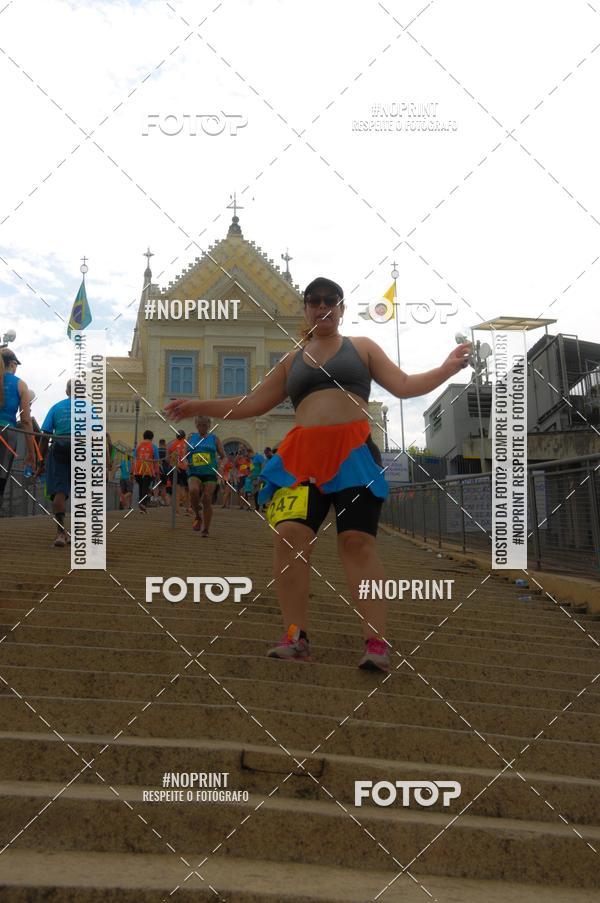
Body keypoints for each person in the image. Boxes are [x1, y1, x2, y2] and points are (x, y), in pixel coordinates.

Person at [166, 276, 471, 671]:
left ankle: (376, 641)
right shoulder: (292, 360)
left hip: (354, 454)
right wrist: (197, 406)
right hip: (302, 458)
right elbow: (254, 402)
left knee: (356, 543)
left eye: (331, 300)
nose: (322, 306)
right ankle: (296, 636)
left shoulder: (361, 348)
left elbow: (404, 385)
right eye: (314, 300)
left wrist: (447, 368)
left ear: (341, 309)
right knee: (290, 538)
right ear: (306, 309)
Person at [37, 380, 73, 546]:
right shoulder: (90, 409)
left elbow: (45, 437)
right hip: (82, 450)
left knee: (59, 491)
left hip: (59, 448)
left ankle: (60, 534)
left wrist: (41, 462)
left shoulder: (56, 407)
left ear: (67, 391)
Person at [0, 348, 35, 500]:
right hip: (7, 434)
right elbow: (26, 421)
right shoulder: (20, 385)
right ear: (13, 364)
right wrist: (31, 453)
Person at [184, 415, 225, 535]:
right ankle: (197, 515)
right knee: (193, 491)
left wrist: (221, 466)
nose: (202, 427)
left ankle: (206, 528)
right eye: (200, 425)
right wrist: (186, 462)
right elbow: (185, 455)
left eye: (205, 425)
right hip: (194, 472)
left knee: (207, 499)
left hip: (210, 473)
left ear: (209, 425)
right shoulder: (191, 438)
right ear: (196, 425)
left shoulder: (214, 439)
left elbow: (224, 456)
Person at [133, 429, 159, 513]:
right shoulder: (153, 446)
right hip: (148, 470)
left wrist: (132, 472)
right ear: (152, 438)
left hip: (138, 469)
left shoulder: (138, 446)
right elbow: (156, 460)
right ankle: (143, 504)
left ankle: (141, 505)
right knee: (145, 487)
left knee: (141, 487)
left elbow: (134, 459)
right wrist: (157, 472)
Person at [168, 429, 190, 515]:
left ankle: (177, 510)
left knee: (176, 490)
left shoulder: (173, 444)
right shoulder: (187, 444)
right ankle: (187, 508)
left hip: (174, 468)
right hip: (185, 468)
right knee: (187, 490)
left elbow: (168, 457)